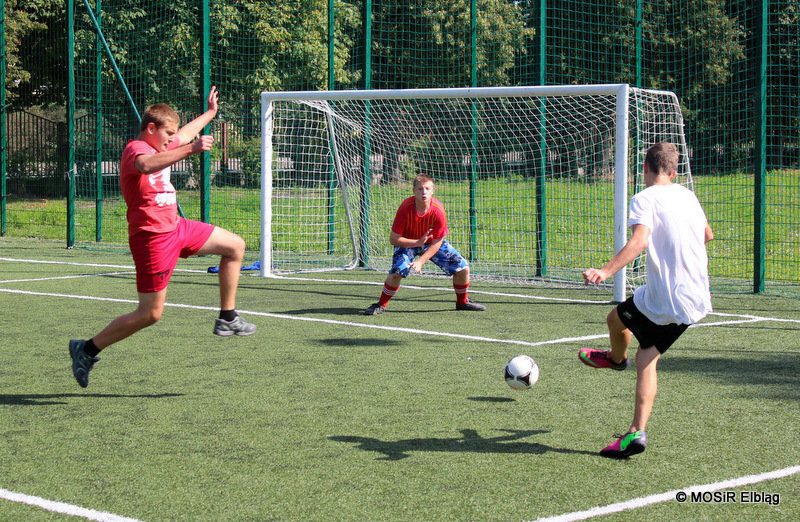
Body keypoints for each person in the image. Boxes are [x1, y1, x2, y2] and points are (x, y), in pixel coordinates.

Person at [69, 86, 256, 388]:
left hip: (177, 228)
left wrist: (210, 114)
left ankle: (228, 316)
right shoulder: (137, 150)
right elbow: (145, 166)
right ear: (151, 128)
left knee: (235, 246)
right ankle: (86, 349)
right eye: (168, 133)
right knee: (150, 314)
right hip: (152, 239)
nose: (173, 138)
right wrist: (190, 150)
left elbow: (184, 134)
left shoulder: (162, 144)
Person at [578, 142, 713, 458]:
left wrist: (605, 271)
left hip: (665, 298)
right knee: (647, 355)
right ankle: (635, 432)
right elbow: (707, 234)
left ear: (645, 169)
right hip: (697, 298)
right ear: (674, 171)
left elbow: (640, 240)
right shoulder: (687, 195)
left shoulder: (644, 197)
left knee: (617, 321)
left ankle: (614, 360)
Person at [364, 174, 486, 315]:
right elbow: (394, 239)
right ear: (414, 191)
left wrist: (421, 261)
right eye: (420, 189)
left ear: (433, 190)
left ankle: (462, 302)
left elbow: (437, 241)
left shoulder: (438, 210)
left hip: (430, 243)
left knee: (462, 267)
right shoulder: (405, 208)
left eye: (427, 189)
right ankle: (381, 304)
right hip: (408, 243)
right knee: (397, 271)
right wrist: (417, 242)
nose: (424, 192)